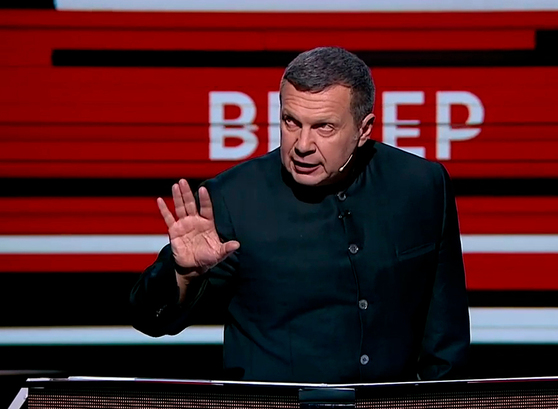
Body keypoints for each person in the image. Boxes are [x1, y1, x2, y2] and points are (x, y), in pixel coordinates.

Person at [130, 46, 470, 383]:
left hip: (392, 407)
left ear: (363, 129)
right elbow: (150, 320)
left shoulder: (421, 185)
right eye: (291, 122)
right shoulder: (231, 198)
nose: (303, 145)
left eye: (324, 127)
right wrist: (184, 274)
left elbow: (445, 340)